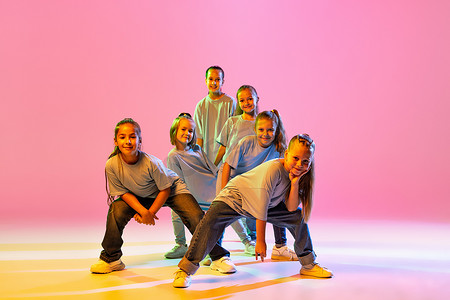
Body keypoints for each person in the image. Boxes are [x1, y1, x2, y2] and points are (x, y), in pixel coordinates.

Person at [173, 134, 333, 288]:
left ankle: (308, 264)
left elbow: (290, 208)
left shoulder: (300, 175)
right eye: (296, 158)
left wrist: (295, 183)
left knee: (298, 217)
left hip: (266, 205)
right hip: (236, 198)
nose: (299, 164)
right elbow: (261, 205)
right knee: (209, 224)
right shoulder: (274, 169)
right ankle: (185, 270)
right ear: (286, 154)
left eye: (305, 161)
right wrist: (261, 241)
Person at [90, 118, 234, 274]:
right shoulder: (111, 165)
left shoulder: (151, 163)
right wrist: (143, 211)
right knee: (116, 210)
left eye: (132, 136)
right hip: (141, 195)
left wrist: (151, 212)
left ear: (139, 140)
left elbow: (165, 189)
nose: (128, 141)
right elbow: (123, 193)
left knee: (195, 217)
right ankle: (111, 259)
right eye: (123, 137)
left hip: (171, 190)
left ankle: (219, 256)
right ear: (116, 141)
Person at [164, 113, 255, 259]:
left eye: (191, 130)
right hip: (196, 194)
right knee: (175, 211)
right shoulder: (173, 156)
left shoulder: (197, 149)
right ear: (175, 130)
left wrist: (223, 185)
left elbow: (212, 168)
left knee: (230, 210)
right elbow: (178, 182)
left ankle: (247, 241)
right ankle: (181, 244)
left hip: (213, 187)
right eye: (183, 129)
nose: (187, 133)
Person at [220, 110, 297, 261]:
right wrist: (223, 190)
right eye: (261, 130)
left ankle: (280, 247)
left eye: (270, 130)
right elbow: (227, 165)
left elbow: (283, 172)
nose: (265, 134)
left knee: (280, 202)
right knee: (220, 213)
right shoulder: (246, 142)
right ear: (255, 129)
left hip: (260, 188)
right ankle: (215, 251)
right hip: (238, 185)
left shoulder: (279, 148)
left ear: (276, 131)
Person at [194, 66, 236, 163]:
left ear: (222, 81)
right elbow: (199, 138)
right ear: (206, 81)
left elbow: (233, 135)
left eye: (217, 79)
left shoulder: (230, 102)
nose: (214, 83)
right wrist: (200, 161)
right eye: (211, 79)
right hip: (206, 160)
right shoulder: (201, 106)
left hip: (226, 159)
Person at [214, 85, 260, 166]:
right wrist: (213, 167)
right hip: (229, 171)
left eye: (250, 99)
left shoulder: (261, 124)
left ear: (257, 99)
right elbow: (223, 148)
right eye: (242, 100)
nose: (246, 103)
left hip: (250, 170)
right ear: (238, 102)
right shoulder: (232, 121)